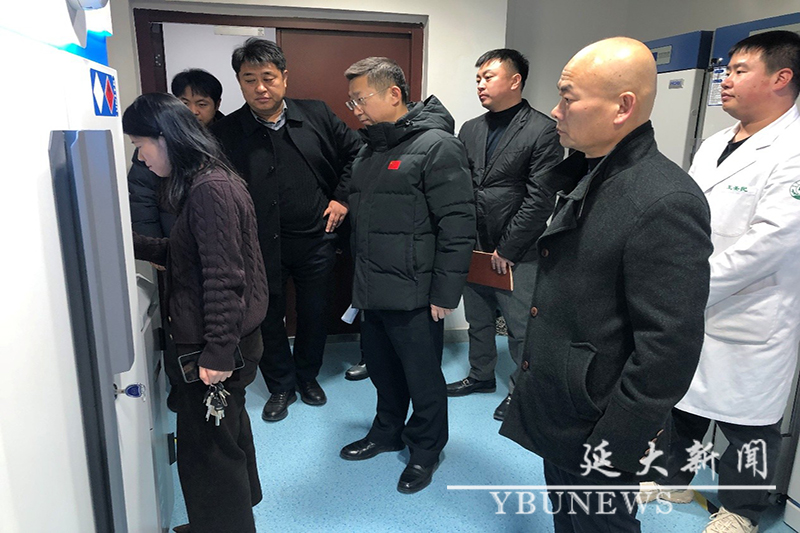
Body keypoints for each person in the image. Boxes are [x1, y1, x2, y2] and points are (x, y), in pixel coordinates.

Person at [498, 37, 713, 532]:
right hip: (567, 403)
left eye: (568, 98)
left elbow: (668, 349)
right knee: (567, 519)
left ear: (623, 107)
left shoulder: (664, 200)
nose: (556, 111)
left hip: (601, 419)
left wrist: (616, 444)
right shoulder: (589, 172)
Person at [638, 30, 800, 533]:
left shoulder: (794, 149)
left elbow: (772, 241)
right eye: (726, 70)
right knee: (681, 401)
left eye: (739, 70)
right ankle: (673, 478)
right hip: (694, 301)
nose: (724, 80)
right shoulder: (714, 143)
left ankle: (741, 510)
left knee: (748, 425)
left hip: (753, 311)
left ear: (781, 77)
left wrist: (689, 286)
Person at [124, 93, 268, 533]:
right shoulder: (211, 180)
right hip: (226, 340)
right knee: (226, 435)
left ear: (166, 138)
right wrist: (132, 243)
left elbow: (224, 278)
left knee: (209, 451)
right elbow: (193, 254)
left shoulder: (211, 191)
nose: (141, 158)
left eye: (141, 145)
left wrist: (217, 353)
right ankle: (226, 519)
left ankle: (224, 526)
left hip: (216, 343)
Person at [337, 57, 475, 494]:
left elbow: (458, 224)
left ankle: (426, 448)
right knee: (382, 370)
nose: (355, 108)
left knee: (422, 377)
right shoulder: (371, 149)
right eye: (352, 100)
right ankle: (387, 431)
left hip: (416, 292)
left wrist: (445, 294)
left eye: (360, 98)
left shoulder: (438, 147)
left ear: (394, 94)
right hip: (372, 287)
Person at [211, 38, 362, 422]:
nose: (260, 88)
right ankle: (280, 385)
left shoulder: (316, 114)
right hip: (258, 246)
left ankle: (308, 377)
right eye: (249, 80)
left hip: (315, 239)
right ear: (239, 83)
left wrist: (342, 198)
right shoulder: (226, 131)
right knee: (266, 317)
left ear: (284, 77)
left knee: (314, 313)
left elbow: (357, 152)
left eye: (268, 77)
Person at [445, 48, 562, 421]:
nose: (480, 84)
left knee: (519, 326)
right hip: (474, 244)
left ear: (515, 80)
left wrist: (508, 248)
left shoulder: (543, 130)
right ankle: (480, 376)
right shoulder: (470, 128)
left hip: (517, 251)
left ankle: (520, 391)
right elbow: (461, 185)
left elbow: (540, 198)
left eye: (488, 76)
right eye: (478, 78)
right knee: (478, 318)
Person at [129, 68, 225, 237]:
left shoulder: (230, 136)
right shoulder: (156, 142)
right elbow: (141, 197)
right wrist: (153, 243)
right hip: (171, 236)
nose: (192, 111)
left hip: (218, 233)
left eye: (202, 104)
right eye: (184, 103)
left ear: (217, 105)